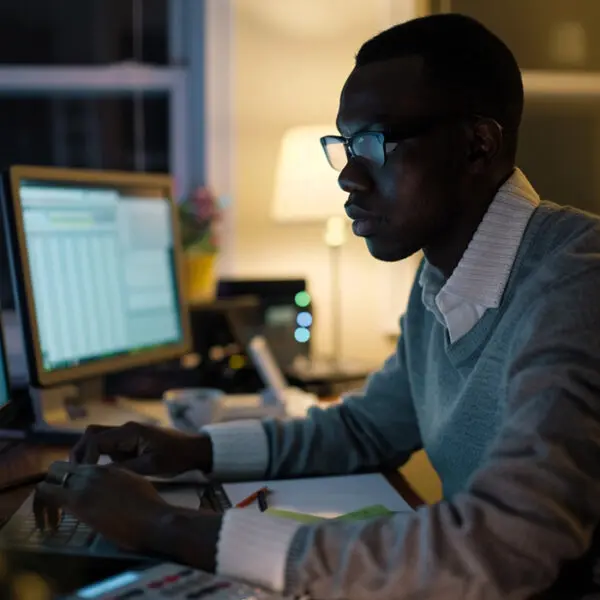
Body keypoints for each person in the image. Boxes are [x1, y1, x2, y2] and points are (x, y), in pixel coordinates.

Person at [35, 13, 600, 600]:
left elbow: (506, 547)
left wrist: (165, 525)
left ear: (477, 145)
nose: (350, 177)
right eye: (347, 145)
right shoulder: (439, 277)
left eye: (377, 143)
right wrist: (191, 451)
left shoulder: (576, 287)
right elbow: (365, 429)